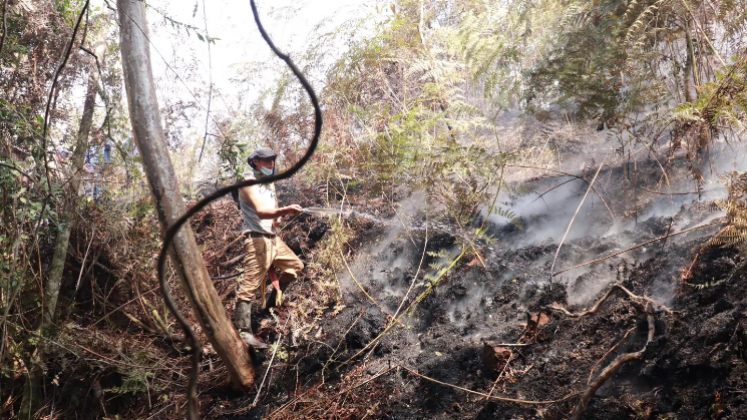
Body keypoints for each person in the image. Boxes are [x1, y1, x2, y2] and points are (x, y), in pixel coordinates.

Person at [233, 146, 304, 348]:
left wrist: (279, 216)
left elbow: (272, 212)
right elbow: (263, 212)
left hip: (273, 239)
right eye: (266, 161)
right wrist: (287, 210)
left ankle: (272, 304)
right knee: (248, 287)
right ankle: (244, 332)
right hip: (257, 241)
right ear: (255, 162)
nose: (271, 164)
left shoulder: (268, 185)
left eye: (272, 160)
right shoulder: (248, 183)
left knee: (295, 267)